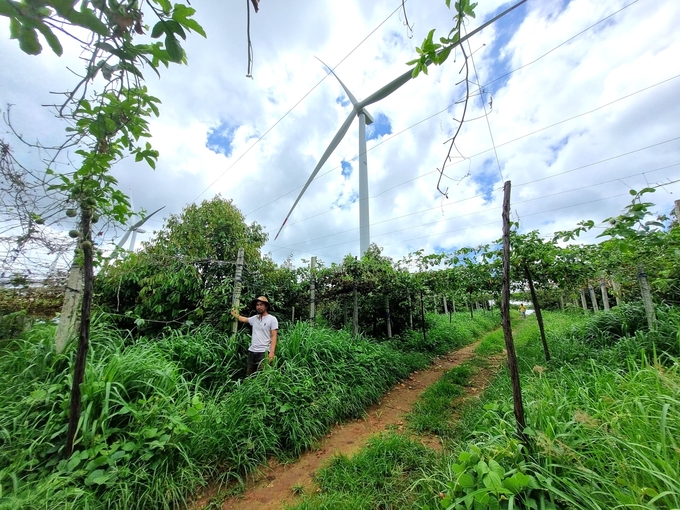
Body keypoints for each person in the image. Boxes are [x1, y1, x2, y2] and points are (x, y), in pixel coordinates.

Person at [231, 296, 279, 375]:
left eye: (261, 305)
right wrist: (234, 314)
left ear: (266, 306)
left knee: (263, 376)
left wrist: (272, 353)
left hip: (264, 352)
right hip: (252, 352)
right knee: (249, 375)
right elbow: (244, 319)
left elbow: (274, 336)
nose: (259, 307)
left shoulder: (272, 319)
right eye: (257, 305)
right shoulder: (254, 318)